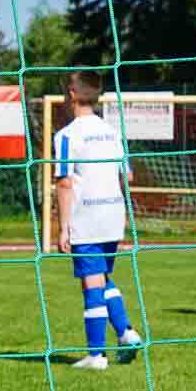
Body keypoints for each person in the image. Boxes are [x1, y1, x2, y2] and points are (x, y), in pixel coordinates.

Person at [53, 70, 144, 369]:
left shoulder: (66, 135)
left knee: (92, 284)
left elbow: (64, 183)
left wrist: (64, 227)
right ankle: (126, 333)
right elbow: (127, 176)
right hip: (112, 216)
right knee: (102, 277)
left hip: (87, 218)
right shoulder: (113, 132)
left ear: (72, 94)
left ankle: (96, 355)